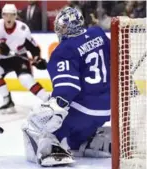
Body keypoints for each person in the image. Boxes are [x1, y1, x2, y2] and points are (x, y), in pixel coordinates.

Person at [22, 6, 111, 166]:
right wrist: (48, 65)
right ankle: (85, 141)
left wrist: (53, 111)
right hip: (108, 109)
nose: (60, 30)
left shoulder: (63, 50)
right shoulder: (98, 33)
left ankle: (48, 148)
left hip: (84, 111)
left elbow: (68, 88)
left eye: (62, 27)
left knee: (36, 118)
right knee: (74, 135)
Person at [0, 4, 49, 114]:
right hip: (1, 59)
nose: (9, 18)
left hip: (19, 59)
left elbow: (33, 47)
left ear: (16, 16)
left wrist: (36, 58)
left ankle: (48, 100)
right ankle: (7, 100)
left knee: (25, 79)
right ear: (2, 15)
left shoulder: (23, 29)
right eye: (6, 15)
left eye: (12, 15)